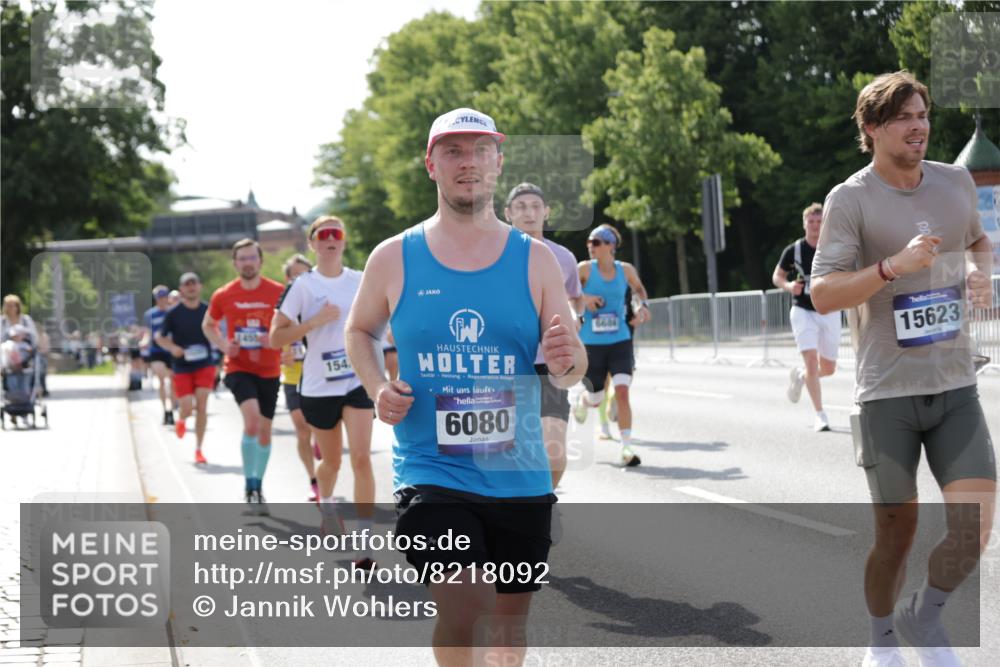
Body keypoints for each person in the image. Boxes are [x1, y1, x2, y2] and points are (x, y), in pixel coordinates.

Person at [345, 107, 587, 666]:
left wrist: (567, 361)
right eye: (453, 151)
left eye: (480, 150)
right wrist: (377, 386)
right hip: (433, 470)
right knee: (468, 602)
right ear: (431, 164)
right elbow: (359, 331)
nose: (468, 162)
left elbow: (571, 367)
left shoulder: (535, 260)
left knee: (508, 628)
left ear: (498, 163)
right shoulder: (394, 256)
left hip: (519, 473)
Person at [811, 71, 996, 667]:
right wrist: (891, 268)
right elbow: (822, 294)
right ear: (872, 128)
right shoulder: (850, 199)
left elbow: (977, 241)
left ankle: (926, 615)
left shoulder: (954, 180)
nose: (919, 127)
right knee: (896, 533)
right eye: (904, 119)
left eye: (923, 115)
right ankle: (881, 637)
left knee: (974, 527)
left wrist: (979, 273)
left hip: (955, 383)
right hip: (887, 392)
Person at [270, 217, 377, 568]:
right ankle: (327, 504)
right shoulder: (302, 286)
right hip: (318, 386)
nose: (331, 239)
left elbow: (382, 321)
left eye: (337, 233)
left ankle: (365, 543)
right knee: (331, 462)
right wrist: (314, 322)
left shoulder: (360, 280)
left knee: (361, 457)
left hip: (356, 380)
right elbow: (275, 337)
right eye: (324, 234)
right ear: (312, 243)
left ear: (344, 241)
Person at [504, 182, 583, 489]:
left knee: (554, 451)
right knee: (507, 452)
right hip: (505, 367)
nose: (529, 213)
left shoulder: (563, 257)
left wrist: (577, 318)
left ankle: (543, 502)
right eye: (521, 207)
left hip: (550, 365)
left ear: (546, 212)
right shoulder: (491, 255)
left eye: (536, 206)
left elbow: (575, 298)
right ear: (508, 213)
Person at [203, 238, 285, 515]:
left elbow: (292, 324)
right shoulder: (224, 294)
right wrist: (224, 345)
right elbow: (208, 325)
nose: (247, 263)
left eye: (252, 258)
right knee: (252, 423)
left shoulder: (278, 291)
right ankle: (249, 485)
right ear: (235, 263)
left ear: (260, 261)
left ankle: (257, 484)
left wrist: (275, 340)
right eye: (242, 258)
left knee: (264, 430)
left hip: (270, 369)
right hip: (238, 368)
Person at [572, 224, 651, 467]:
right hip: (592, 344)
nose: (591, 246)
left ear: (610, 246)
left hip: (620, 340)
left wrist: (642, 306)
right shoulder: (584, 269)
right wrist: (585, 298)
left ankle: (626, 447)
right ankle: (583, 402)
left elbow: (640, 290)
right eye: (589, 242)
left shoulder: (625, 270)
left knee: (622, 391)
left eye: (596, 242)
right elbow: (566, 294)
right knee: (596, 397)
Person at [773, 202, 842, 432]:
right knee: (812, 361)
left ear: (824, 224)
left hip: (829, 310)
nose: (814, 225)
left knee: (829, 368)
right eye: (811, 221)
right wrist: (788, 285)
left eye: (819, 221)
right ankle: (820, 415)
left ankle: (802, 377)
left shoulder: (832, 248)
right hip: (803, 311)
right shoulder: (794, 250)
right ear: (804, 224)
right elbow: (777, 276)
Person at [156, 272, 214, 465]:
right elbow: (160, 337)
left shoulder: (208, 310)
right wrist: (173, 348)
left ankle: (199, 449)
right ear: (181, 289)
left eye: (194, 283)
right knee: (187, 407)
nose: (191, 287)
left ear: (200, 286)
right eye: (187, 285)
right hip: (182, 366)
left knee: (202, 406)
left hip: (204, 363)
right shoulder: (173, 313)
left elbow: (217, 330)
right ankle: (181, 419)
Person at [279, 253, 321, 502]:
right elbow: (271, 340)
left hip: (321, 376)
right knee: (301, 428)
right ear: (287, 279)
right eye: (294, 275)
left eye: (304, 274)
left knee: (318, 427)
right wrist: (279, 356)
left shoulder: (321, 303)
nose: (299, 279)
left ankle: (320, 440)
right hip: (293, 377)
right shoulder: (282, 309)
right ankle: (313, 481)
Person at [142, 286, 176, 425]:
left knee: (172, 381)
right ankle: (165, 410)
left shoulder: (173, 312)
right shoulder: (150, 314)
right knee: (161, 380)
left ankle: (171, 410)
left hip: (171, 351)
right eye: (159, 298)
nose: (162, 300)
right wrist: (144, 341)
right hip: (156, 351)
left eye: (164, 297)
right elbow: (147, 332)